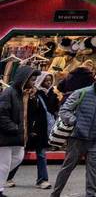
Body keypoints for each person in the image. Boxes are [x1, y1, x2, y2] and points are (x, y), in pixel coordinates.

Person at [49, 70, 96, 197]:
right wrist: (75, 122)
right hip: (77, 138)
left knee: (94, 170)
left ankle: (91, 194)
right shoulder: (81, 93)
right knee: (67, 167)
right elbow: (64, 110)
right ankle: (56, 193)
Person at [13, 72, 58, 188]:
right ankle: (7, 176)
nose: (48, 82)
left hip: (42, 129)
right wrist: (30, 129)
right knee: (20, 155)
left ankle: (42, 180)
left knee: (41, 154)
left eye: (50, 80)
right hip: (31, 129)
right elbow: (29, 113)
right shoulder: (32, 94)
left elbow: (53, 110)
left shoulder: (52, 94)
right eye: (45, 80)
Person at [0, 66, 35, 196]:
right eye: (32, 79)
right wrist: (13, 128)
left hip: (18, 136)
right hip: (6, 135)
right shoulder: (9, 92)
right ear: (24, 79)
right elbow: (2, 113)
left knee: (18, 157)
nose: (34, 82)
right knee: (4, 165)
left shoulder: (24, 94)